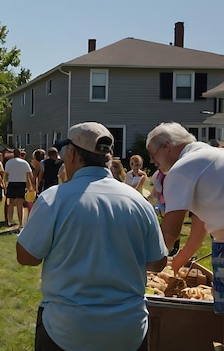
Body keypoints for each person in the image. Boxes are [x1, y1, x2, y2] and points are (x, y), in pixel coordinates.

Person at [17, 122, 168, 351]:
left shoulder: (54, 199)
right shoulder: (138, 202)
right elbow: (157, 262)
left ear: (73, 154)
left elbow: (27, 256)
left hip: (66, 330)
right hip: (128, 330)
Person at [146, 122, 224, 298]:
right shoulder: (212, 156)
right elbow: (200, 224)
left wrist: (141, 267)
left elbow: (170, 233)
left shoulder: (182, 168)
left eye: (152, 155)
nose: (152, 161)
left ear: (166, 146)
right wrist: (180, 260)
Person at [3, 150, 33, 231]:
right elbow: (30, 174)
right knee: (20, 204)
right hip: (21, 184)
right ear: (20, 154)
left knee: (11, 203)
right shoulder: (24, 163)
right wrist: (31, 185)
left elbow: (6, 175)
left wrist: (5, 184)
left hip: (12, 183)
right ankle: (20, 223)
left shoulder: (9, 162)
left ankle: (10, 220)